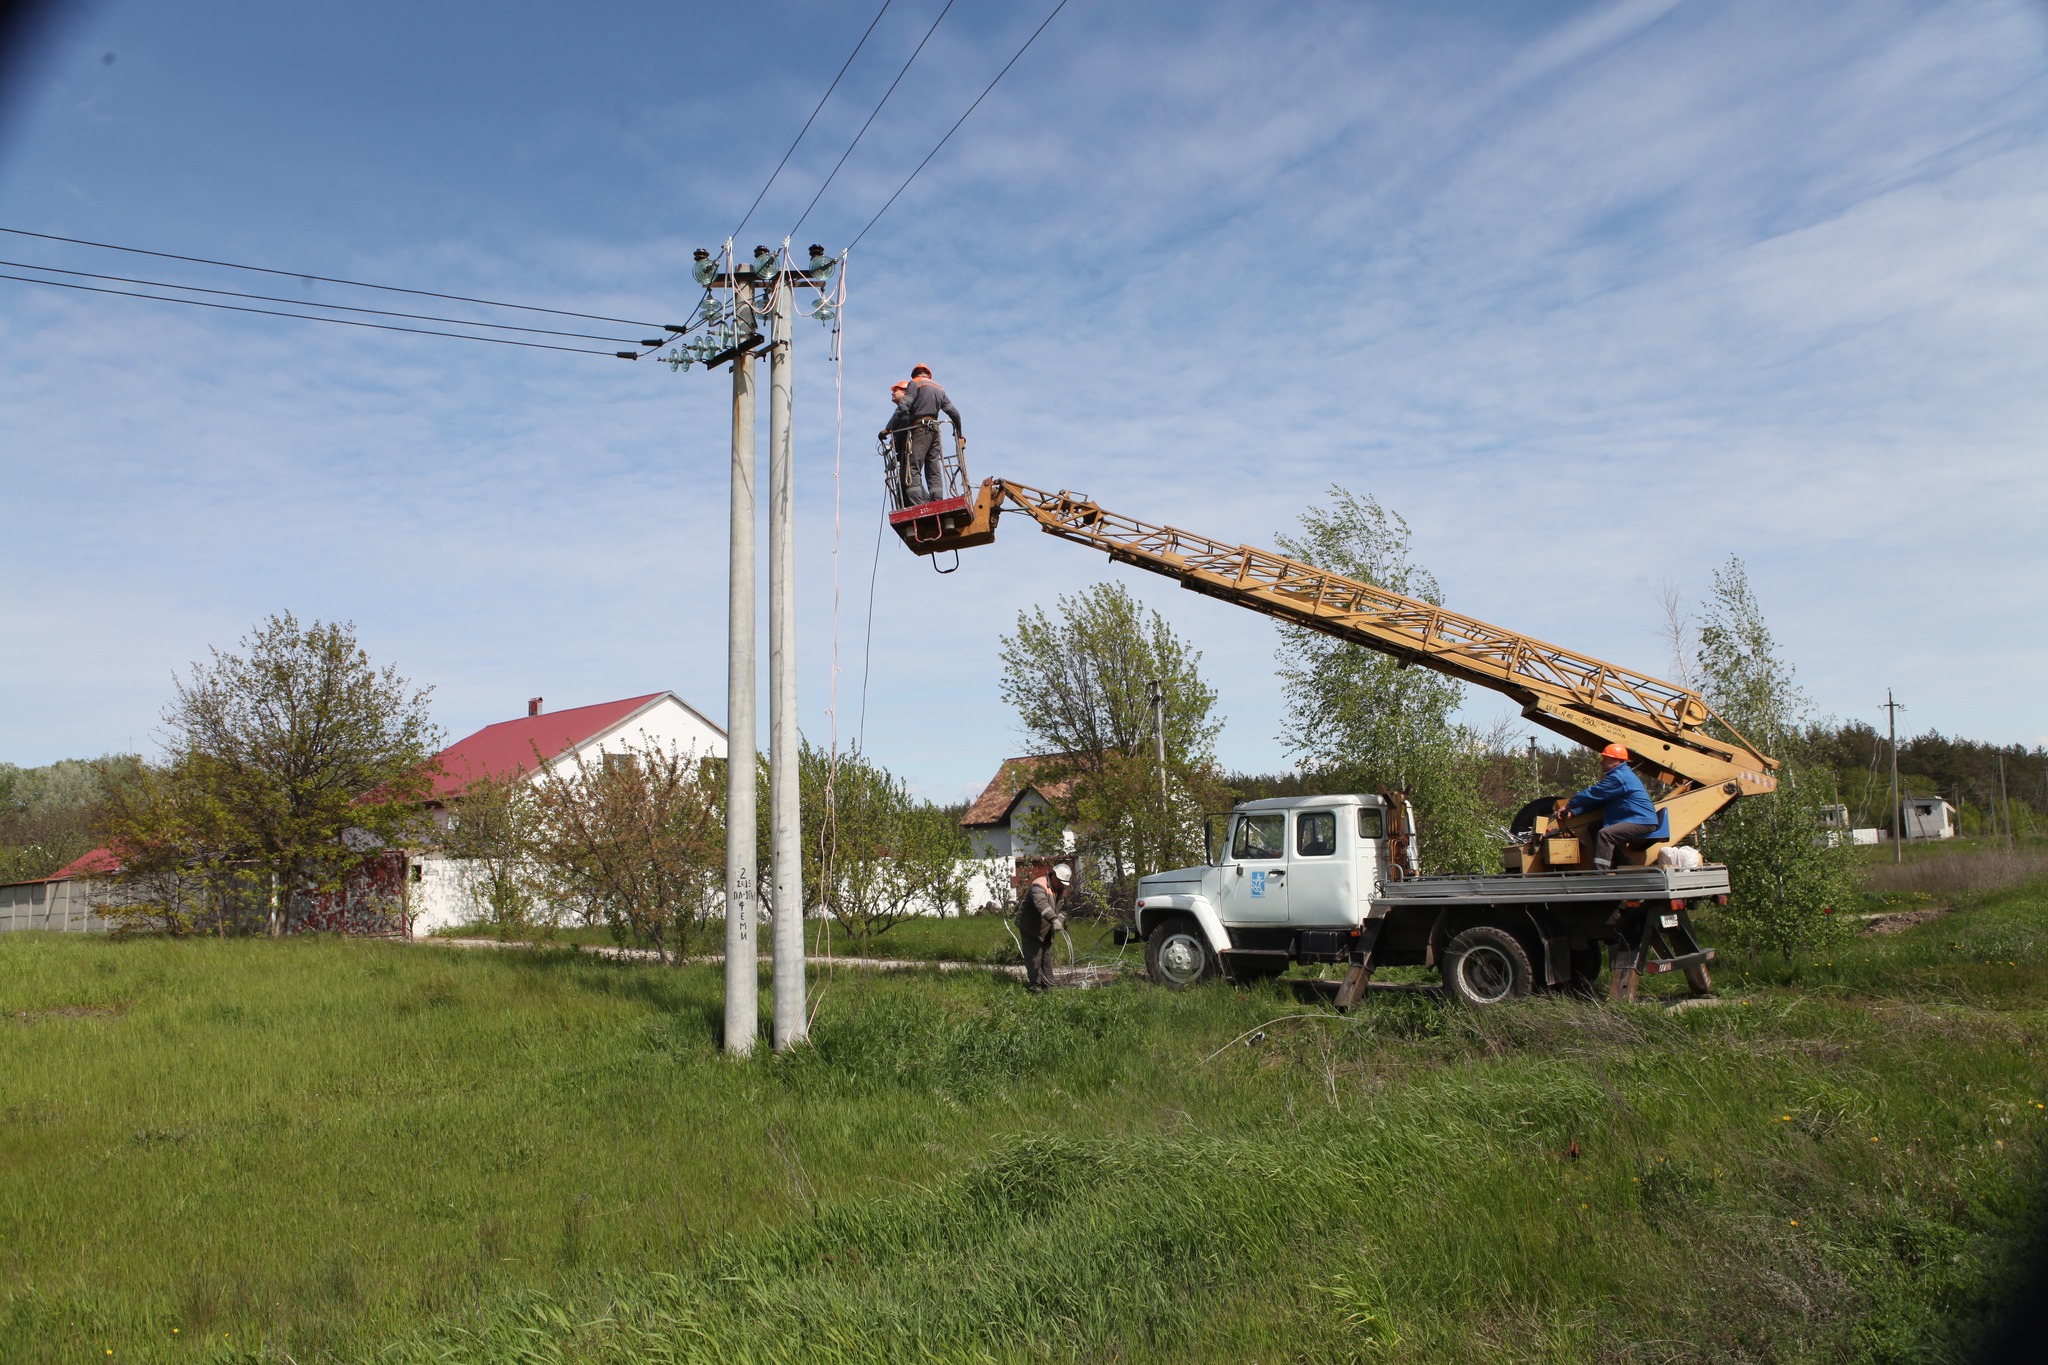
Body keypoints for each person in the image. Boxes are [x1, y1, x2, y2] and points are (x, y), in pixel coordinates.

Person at [1555, 744, 1659, 870]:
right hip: (1635, 818)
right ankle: (1623, 863)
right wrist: (1574, 812)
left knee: (1605, 834)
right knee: (1595, 828)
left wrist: (1568, 805)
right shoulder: (1620, 775)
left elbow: (1594, 793)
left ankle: (1601, 875)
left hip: (1641, 820)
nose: (1601, 762)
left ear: (1616, 761)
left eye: (1605, 759)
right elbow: (1599, 801)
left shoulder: (1619, 778)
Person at [898, 363, 962, 505]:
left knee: (912, 467)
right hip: (935, 430)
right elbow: (954, 413)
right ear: (928, 374)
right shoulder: (939, 388)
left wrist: (887, 428)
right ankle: (937, 502)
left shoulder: (914, 384)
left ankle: (917, 503)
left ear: (915, 374)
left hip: (920, 429)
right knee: (933, 467)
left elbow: (904, 406)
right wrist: (959, 433)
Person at [1019, 861, 1070, 993]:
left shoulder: (1061, 889)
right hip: (1031, 927)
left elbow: (1066, 908)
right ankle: (1035, 987)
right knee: (1034, 957)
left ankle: (1049, 985)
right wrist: (1053, 919)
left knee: (1046, 956)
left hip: (1046, 928)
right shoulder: (1039, 885)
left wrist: (1060, 918)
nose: (1061, 885)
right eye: (1060, 882)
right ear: (1053, 875)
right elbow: (1041, 903)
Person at [879, 381, 912, 506]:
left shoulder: (905, 411)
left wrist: (893, 444)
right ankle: (907, 504)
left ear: (904, 392)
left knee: (909, 481)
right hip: (904, 452)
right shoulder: (905, 411)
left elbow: (903, 430)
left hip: (908, 451)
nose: (892, 393)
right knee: (904, 483)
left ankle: (915, 504)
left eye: (896, 390)